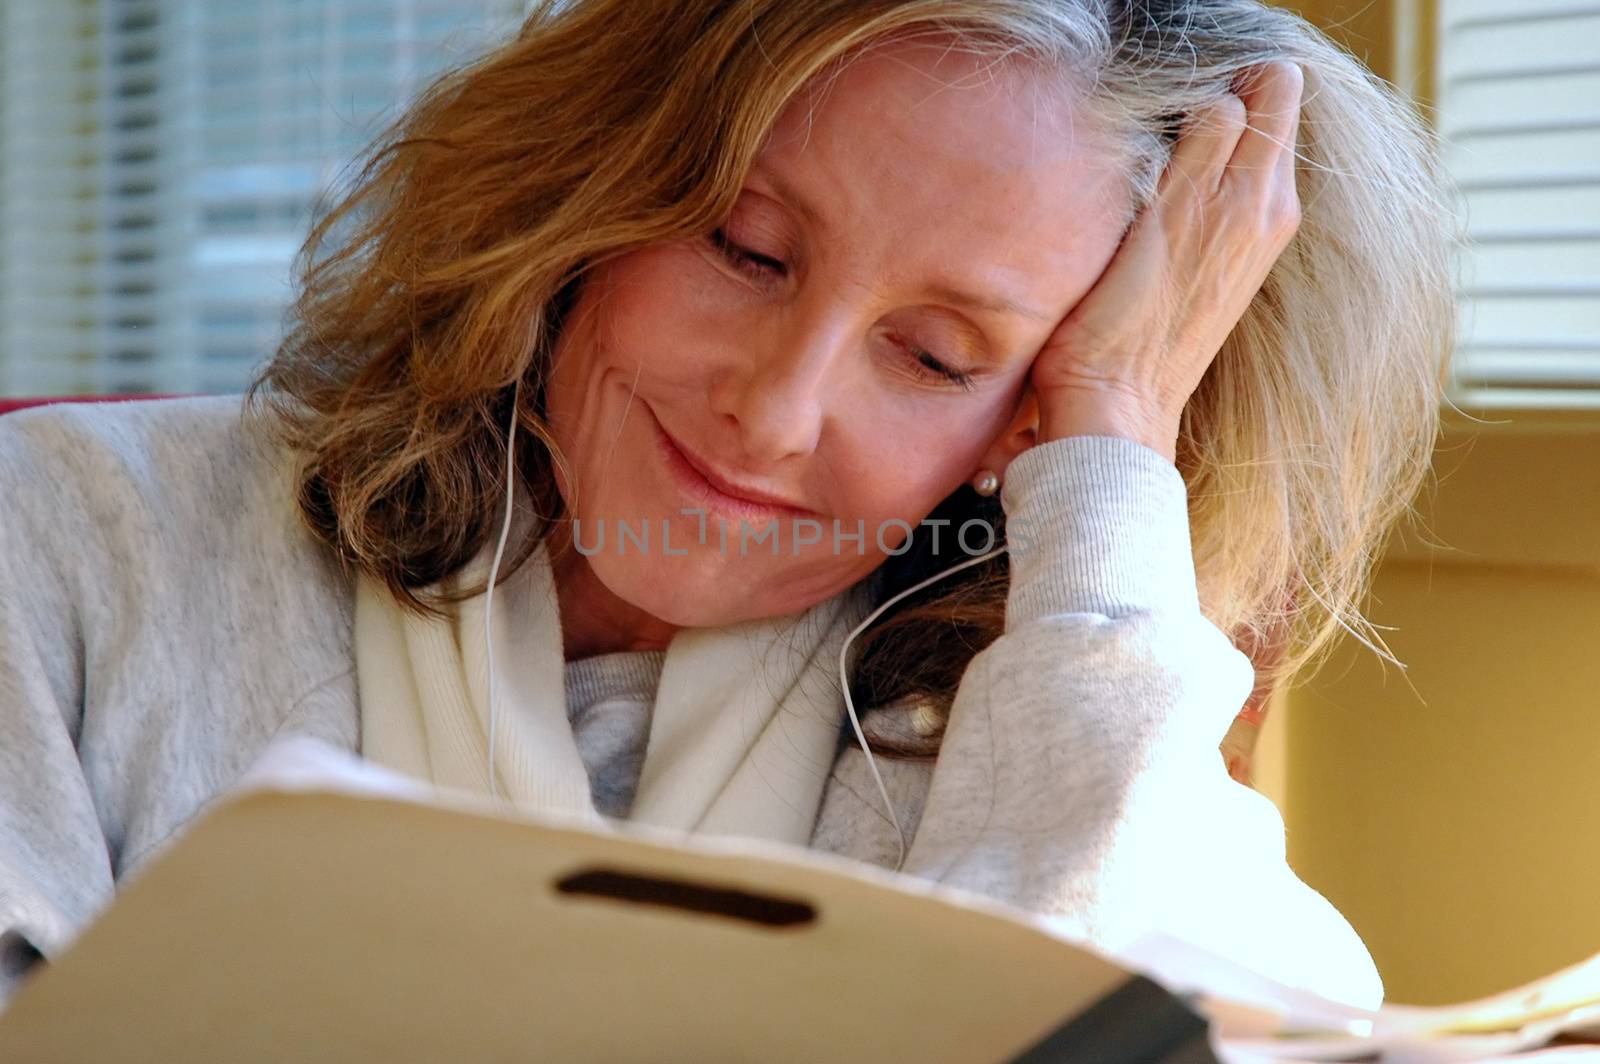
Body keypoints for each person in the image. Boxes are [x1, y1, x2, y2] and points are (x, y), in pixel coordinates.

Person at [0, 0, 1457, 1015]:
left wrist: (1116, 447)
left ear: (1026, 423)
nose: (774, 407)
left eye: (935, 355)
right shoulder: (73, 534)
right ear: (587, 197)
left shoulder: (1024, 724)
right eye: (748, 251)